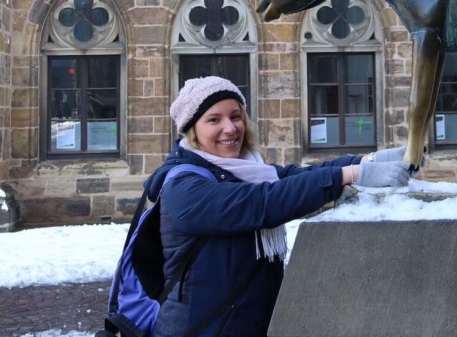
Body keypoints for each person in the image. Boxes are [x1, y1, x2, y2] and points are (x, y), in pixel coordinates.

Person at [147, 76, 411, 337]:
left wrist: (367, 160)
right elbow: (264, 202)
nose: (230, 128)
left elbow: (295, 176)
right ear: (192, 130)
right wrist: (349, 175)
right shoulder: (183, 186)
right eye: (214, 119)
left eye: (236, 116)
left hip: (245, 324)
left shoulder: (247, 170)